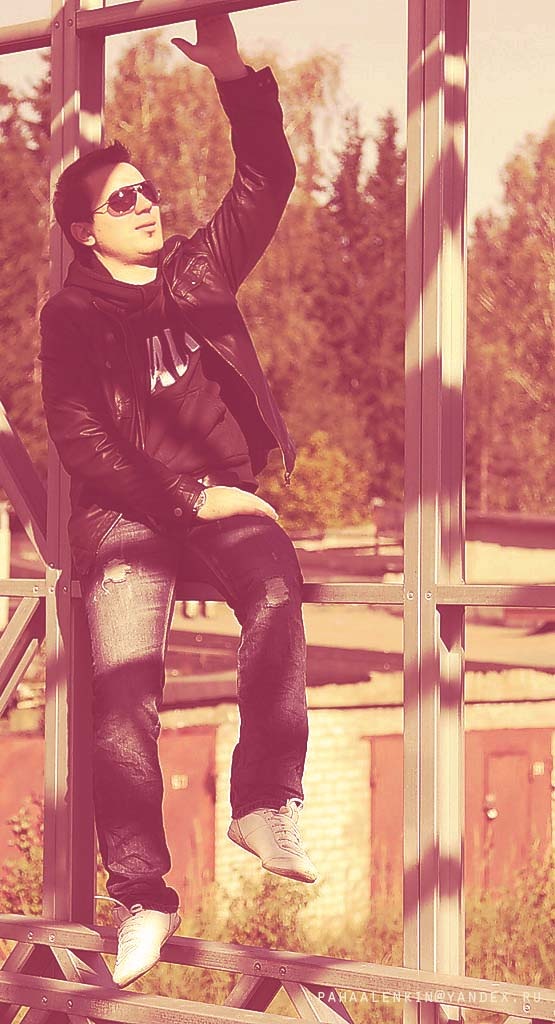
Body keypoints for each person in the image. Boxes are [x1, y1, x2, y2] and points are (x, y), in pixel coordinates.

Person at [38, 13, 318, 990]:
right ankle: (143, 894)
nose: (147, 204)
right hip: (132, 513)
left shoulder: (199, 271)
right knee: (125, 700)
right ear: (87, 230)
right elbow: (81, 438)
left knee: (276, 589)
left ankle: (265, 801)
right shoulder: (72, 316)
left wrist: (235, 77)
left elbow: (266, 179)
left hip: (216, 500)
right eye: (124, 199)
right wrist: (189, 497)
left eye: (148, 190)